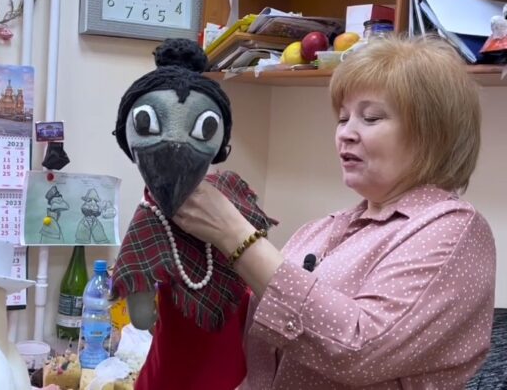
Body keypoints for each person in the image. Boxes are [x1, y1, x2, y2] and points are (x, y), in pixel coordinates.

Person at [174, 35, 496, 388]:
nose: (346, 134)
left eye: (371, 118)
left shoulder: (454, 230)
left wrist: (235, 235)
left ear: (433, 133)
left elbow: (358, 350)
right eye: (343, 118)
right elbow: (262, 349)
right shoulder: (320, 231)